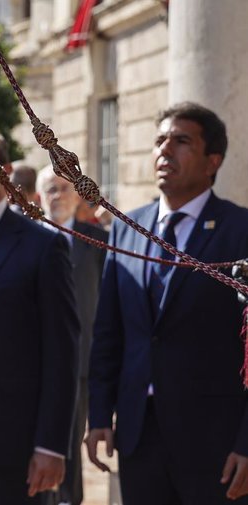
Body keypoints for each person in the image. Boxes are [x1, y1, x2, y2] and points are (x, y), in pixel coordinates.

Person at [86, 102, 248, 504]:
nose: (165, 150)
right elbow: (109, 331)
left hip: (217, 443)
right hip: (140, 437)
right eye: (159, 140)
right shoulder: (128, 229)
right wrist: (100, 414)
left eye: (181, 141)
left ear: (214, 161)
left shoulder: (239, 230)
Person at [0, 126, 79, 504]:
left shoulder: (43, 245)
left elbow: (62, 351)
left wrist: (51, 446)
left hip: (10, 449)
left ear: (3, 168)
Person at [36, 167, 108, 505]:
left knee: (69, 444)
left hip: (80, 364)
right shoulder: (27, 240)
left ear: (77, 195)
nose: (58, 196)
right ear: (38, 196)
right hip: (31, 363)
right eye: (50, 189)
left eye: (64, 189)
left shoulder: (96, 243)